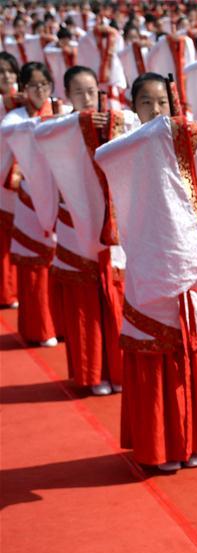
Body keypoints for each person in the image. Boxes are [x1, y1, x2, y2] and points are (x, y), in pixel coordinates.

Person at [94, 71, 197, 472]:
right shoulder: (127, 147)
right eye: (146, 103)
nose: (155, 111)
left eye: (162, 103)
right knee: (159, 356)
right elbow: (104, 159)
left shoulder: (192, 140)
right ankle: (160, 445)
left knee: (194, 351)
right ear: (133, 107)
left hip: (191, 269)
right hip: (151, 265)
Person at [34, 65, 139, 395]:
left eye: (91, 91)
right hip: (75, 224)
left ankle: (121, 372)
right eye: (78, 92)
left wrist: (112, 121)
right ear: (67, 96)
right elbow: (41, 135)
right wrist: (79, 120)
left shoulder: (117, 119)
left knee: (116, 297)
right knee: (85, 302)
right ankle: (91, 373)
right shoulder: (59, 126)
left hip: (112, 224)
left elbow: (138, 126)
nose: (86, 98)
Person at [0, 61, 64, 346]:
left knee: (59, 266)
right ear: (23, 89)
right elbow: (16, 131)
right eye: (33, 85)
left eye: (44, 85)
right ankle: (40, 328)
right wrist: (48, 121)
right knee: (34, 267)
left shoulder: (61, 111)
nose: (39, 91)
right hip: (25, 199)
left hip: (58, 198)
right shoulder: (13, 118)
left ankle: (60, 324)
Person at [0, 52, 21, 309]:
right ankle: (5, 291)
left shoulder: (27, 103)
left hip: (23, 177)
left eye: (10, 71)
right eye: (1, 72)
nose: (6, 76)